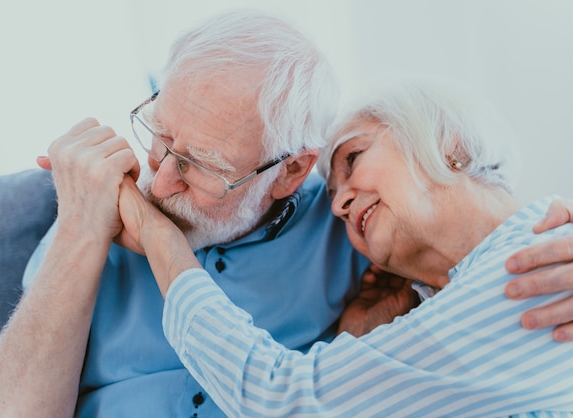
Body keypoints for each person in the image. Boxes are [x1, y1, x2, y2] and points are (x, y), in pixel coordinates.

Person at [0, 10, 573, 418]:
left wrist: (162, 240)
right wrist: (80, 234)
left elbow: (287, 401)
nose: (160, 178)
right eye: (159, 136)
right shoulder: (94, 210)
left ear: (291, 171)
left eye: (202, 163)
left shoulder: (504, 268)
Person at [110, 81, 573, 417]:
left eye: (353, 159)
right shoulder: (464, 295)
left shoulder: (532, 271)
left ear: (446, 140)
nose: (341, 204)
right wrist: (354, 342)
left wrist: (162, 242)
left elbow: (280, 401)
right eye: (331, 194)